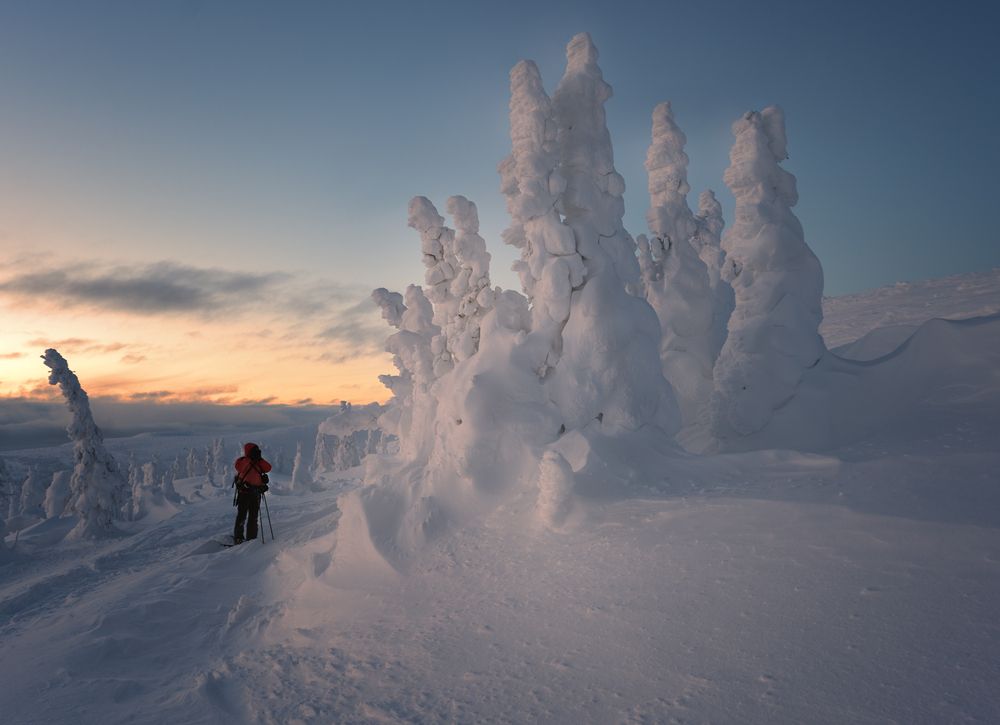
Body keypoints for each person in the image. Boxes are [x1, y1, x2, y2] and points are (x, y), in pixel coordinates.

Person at [233, 442, 272, 544]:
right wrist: (250, 458)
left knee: (253, 517)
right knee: (242, 516)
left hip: (255, 493)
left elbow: (268, 467)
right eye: (254, 451)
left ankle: (251, 538)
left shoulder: (258, 462)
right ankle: (239, 538)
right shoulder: (242, 461)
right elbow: (239, 467)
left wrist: (259, 459)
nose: (256, 452)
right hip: (245, 492)